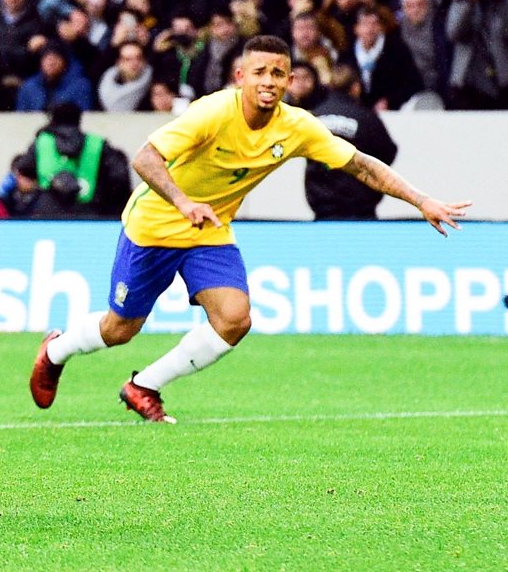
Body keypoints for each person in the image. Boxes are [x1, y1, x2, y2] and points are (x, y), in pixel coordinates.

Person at [29, 35, 469, 424]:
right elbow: (145, 158)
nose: (269, 81)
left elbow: (360, 164)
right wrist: (183, 201)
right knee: (120, 330)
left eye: (279, 73)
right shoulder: (213, 112)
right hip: (155, 226)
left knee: (235, 319)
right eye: (259, 71)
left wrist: (422, 200)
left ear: (290, 79)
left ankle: (143, 386)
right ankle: (54, 351)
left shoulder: (296, 126)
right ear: (240, 75)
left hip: (209, 231)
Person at [305, 64, 399, 220]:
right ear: (356, 87)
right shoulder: (366, 117)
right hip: (361, 210)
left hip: (323, 210)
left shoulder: (314, 117)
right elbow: (388, 153)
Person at [13, 101, 132, 220]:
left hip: (47, 213)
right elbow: (119, 177)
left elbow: (24, 168)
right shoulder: (96, 143)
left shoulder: (43, 141)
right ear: (79, 119)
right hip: (89, 214)